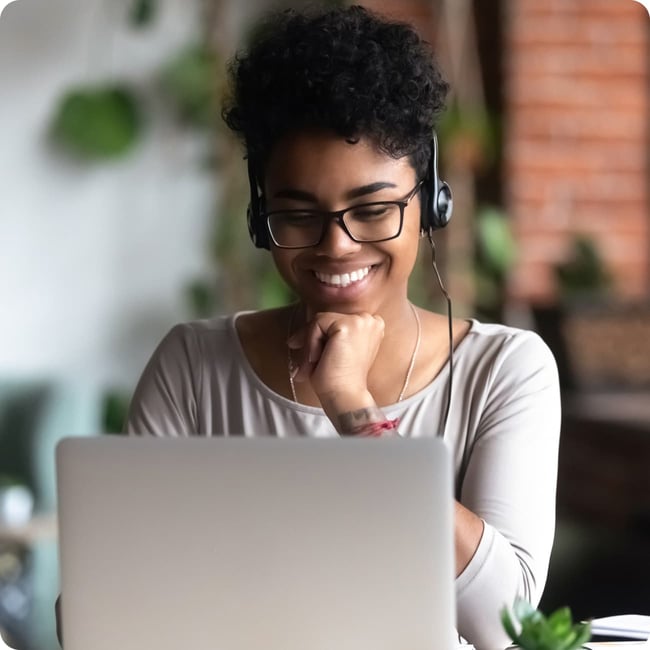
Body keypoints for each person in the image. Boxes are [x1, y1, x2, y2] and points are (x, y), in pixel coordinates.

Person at [122, 5, 560, 650]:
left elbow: (507, 626)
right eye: (298, 216)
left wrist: (354, 408)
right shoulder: (193, 365)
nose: (336, 246)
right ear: (258, 217)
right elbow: (107, 606)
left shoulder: (504, 370)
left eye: (373, 209)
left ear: (431, 203)